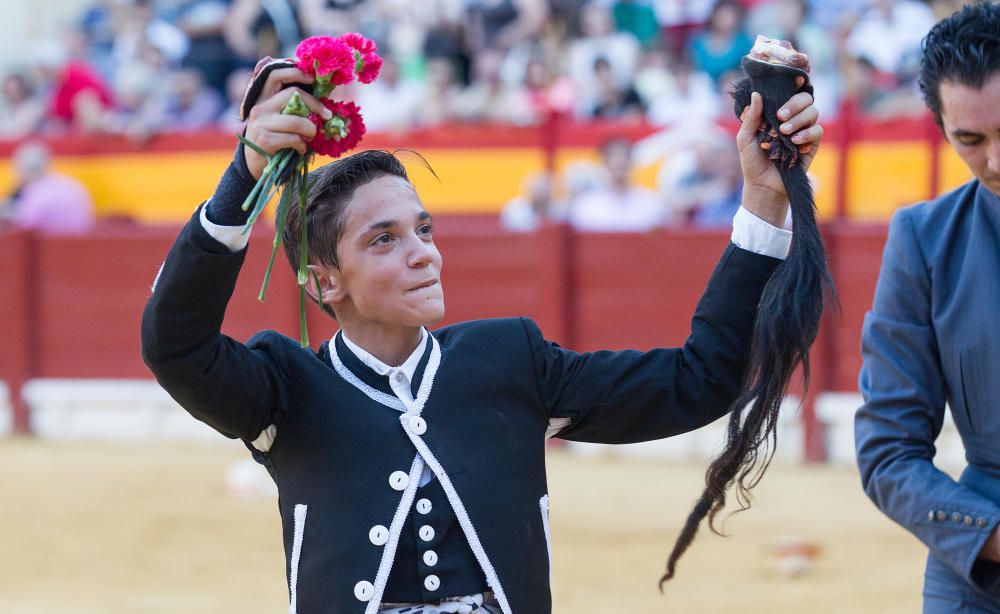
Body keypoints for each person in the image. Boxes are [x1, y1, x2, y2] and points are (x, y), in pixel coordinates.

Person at [141, 55, 822, 612]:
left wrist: (762, 199)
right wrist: (243, 178)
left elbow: (697, 381)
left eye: (423, 229)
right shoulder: (285, 392)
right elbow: (175, 345)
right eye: (384, 240)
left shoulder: (510, 361)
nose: (422, 253)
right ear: (325, 282)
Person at [855, 4, 1000, 611]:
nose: (997, 162)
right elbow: (888, 450)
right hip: (984, 562)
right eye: (971, 140)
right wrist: (992, 536)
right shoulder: (926, 238)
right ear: (942, 130)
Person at [0, 142, 95, 235]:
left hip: (50, 248)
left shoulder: (35, 195)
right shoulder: (73, 186)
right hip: (79, 245)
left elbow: (24, 227)